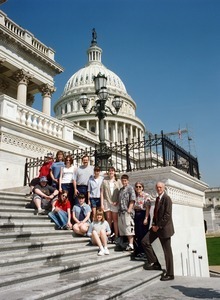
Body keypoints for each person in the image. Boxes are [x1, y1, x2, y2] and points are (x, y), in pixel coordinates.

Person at [142, 181, 175, 281]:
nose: (159, 189)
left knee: (167, 251)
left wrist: (158, 226)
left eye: (160, 187)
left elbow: (167, 215)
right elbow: (156, 213)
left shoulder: (167, 199)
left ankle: (170, 274)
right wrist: (153, 224)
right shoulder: (157, 199)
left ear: (164, 188)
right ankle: (155, 263)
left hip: (164, 229)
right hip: (155, 227)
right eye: (157, 187)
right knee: (145, 241)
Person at [100, 166, 122, 243]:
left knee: (115, 219)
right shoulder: (104, 181)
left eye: (112, 171)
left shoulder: (118, 181)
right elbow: (102, 192)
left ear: (114, 172)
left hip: (115, 202)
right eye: (110, 171)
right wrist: (102, 203)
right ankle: (108, 236)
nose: (111, 172)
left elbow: (121, 192)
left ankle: (116, 236)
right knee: (108, 219)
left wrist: (118, 202)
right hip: (107, 201)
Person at [118, 174, 136, 251]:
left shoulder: (130, 188)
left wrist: (129, 209)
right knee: (123, 229)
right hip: (121, 211)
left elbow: (132, 199)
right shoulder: (121, 190)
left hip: (127, 211)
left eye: (125, 180)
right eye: (122, 180)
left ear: (127, 181)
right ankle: (125, 244)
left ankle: (131, 244)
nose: (124, 182)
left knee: (129, 228)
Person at [134, 181, 151, 260]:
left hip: (143, 214)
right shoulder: (135, 196)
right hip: (137, 215)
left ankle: (144, 252)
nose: (138, 188)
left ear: (142, 187)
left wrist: (146, 218)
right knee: (138, 234)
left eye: (140, 186)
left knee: (143, 234)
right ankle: (139, 252)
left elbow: (147, 207)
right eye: (137, 186)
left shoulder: (146, 196)